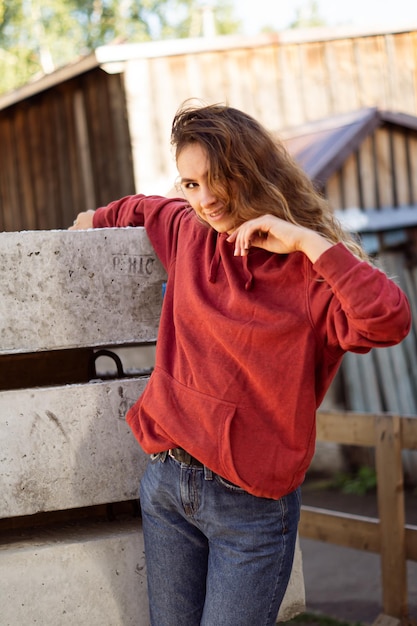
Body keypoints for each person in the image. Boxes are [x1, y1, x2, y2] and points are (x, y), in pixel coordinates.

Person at [70, 102, 411, 626]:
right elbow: (140, 207)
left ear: (251, 173)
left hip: (251, 509)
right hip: (167, 486)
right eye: (189, 184)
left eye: (217, 180)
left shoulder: (308, 276)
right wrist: (91, 219)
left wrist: (308, 242)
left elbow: (387, 320)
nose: (204, 200)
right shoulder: (188, 232)